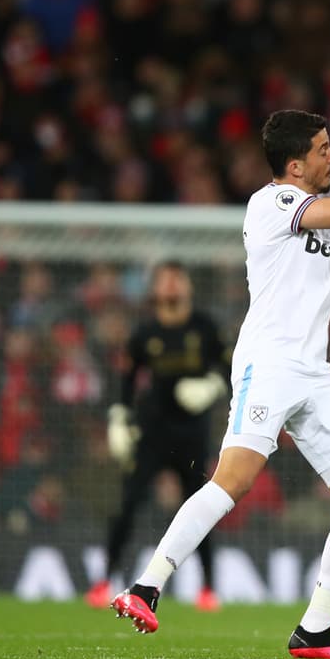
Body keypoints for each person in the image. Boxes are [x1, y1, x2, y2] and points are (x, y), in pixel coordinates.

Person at [111, 104, 330, 659]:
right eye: (323, 149)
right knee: (235, 479)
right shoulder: (275, 203)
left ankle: (315, 631)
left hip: (313, 372)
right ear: (295, 167)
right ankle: (145, 586)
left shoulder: (327, 197)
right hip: (269, 364)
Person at [85, 261, 230, 612]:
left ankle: (208, 588)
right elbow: (127, 382)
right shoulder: (144, 334)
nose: (170, 286)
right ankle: (104, 580)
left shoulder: (205, 328)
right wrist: (119, 419)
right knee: (128, 504)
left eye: (176, 279)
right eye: (164, 280)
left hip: (192, 435)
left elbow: (229, 371)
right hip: (151, 433)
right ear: (154, 290)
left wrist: (211, 385)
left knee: (200, 506)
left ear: (188, 287)